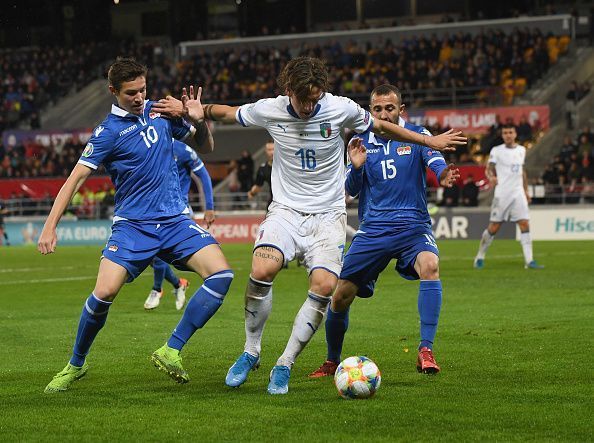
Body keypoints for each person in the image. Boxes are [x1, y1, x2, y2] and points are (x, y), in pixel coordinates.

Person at [152, 57, 466, 395]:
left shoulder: (340, 108)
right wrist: (197, 110)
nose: (309, 106)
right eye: (304, 99)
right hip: (286, 211)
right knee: (262, 269)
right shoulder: (270, 109)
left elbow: (382, 127)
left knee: (324, 286)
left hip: (329, 216)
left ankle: (284, 363)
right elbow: (227, 112)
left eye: (316, 98)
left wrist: (429, 142)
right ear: (288, 91)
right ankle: (251, 350)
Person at [38, 57, 234, 393]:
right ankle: (76, 364)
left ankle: (171, 349)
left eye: (143, 89)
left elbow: (206, 146)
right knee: (104, 293)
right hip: (133, 226)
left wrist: (198, 120)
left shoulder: (161, 113)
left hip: (175, 221)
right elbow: (74, 181)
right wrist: (49, 225)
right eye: (131, 93)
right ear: (113, 91)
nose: (140, 97)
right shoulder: (107, 134)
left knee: (222, 276)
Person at [308, 84, 460, 378]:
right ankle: (331, 360)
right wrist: (357, 167)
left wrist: (444, 174)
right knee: (340, 295)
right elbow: (349, 191)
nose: (383, 114)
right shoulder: (360, 141)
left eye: (389, 108)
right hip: (374, 229)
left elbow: (437, 163)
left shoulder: (419, 136)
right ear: (371, 111)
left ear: (401, 110)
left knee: (430, 265)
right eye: (377, 109)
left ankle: (426, 350)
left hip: (413, 225)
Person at [143, 138, 215, 311]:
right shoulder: (148, 146)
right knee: (150, 258)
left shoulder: (182, 150)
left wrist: (210, 207)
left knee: (157, 253)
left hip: (177, 209)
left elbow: (203, 175)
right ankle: (178, 284)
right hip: (153, 209)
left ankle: (157, 289)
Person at [473, 124, 543, 270]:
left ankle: (529, 261)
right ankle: (479, 257)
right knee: (494, 227)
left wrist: (526, 191)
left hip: (518, 193)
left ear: (515, 133)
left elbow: (522, 172)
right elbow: (489, 169)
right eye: (505, 133)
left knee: (524, 224)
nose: (508, 135)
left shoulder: (521, 150)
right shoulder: (497, 151)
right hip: (503, 194)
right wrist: (491, 177)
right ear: (502, 135)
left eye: (510, 132)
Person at [247, 141, 274, 207]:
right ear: (266, 151)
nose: (272, 152)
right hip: (273, 203)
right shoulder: (263, 169)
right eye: (269, 150)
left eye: (273, 149)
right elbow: (258, 186)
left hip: (289, 202)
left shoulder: (285, 166)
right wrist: (251, 193)